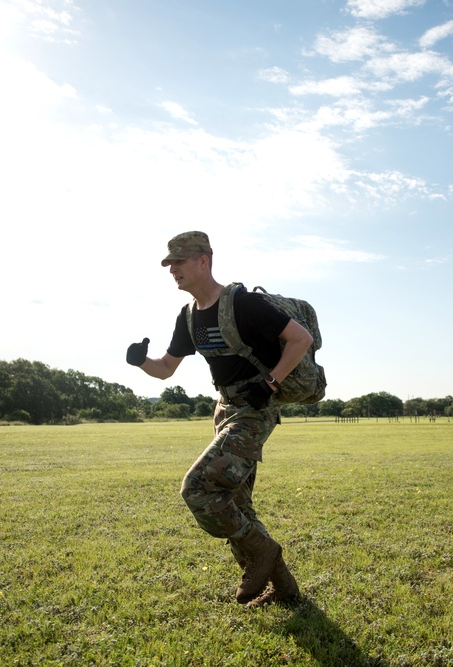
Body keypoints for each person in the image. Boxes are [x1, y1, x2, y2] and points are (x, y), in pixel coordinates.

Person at [126, 231, 313, 607]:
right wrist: (141, 361)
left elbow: (301, 338)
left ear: (203, 261)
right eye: (169, 264)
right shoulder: (190, 316)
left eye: (179, 262)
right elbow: (166, 369)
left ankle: (262, 552)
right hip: (225, 409)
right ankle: (286, 590)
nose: (172, 269)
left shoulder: (242, 304)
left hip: (255, 409)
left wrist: (271, 383)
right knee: (234, 503)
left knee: (198, 489)